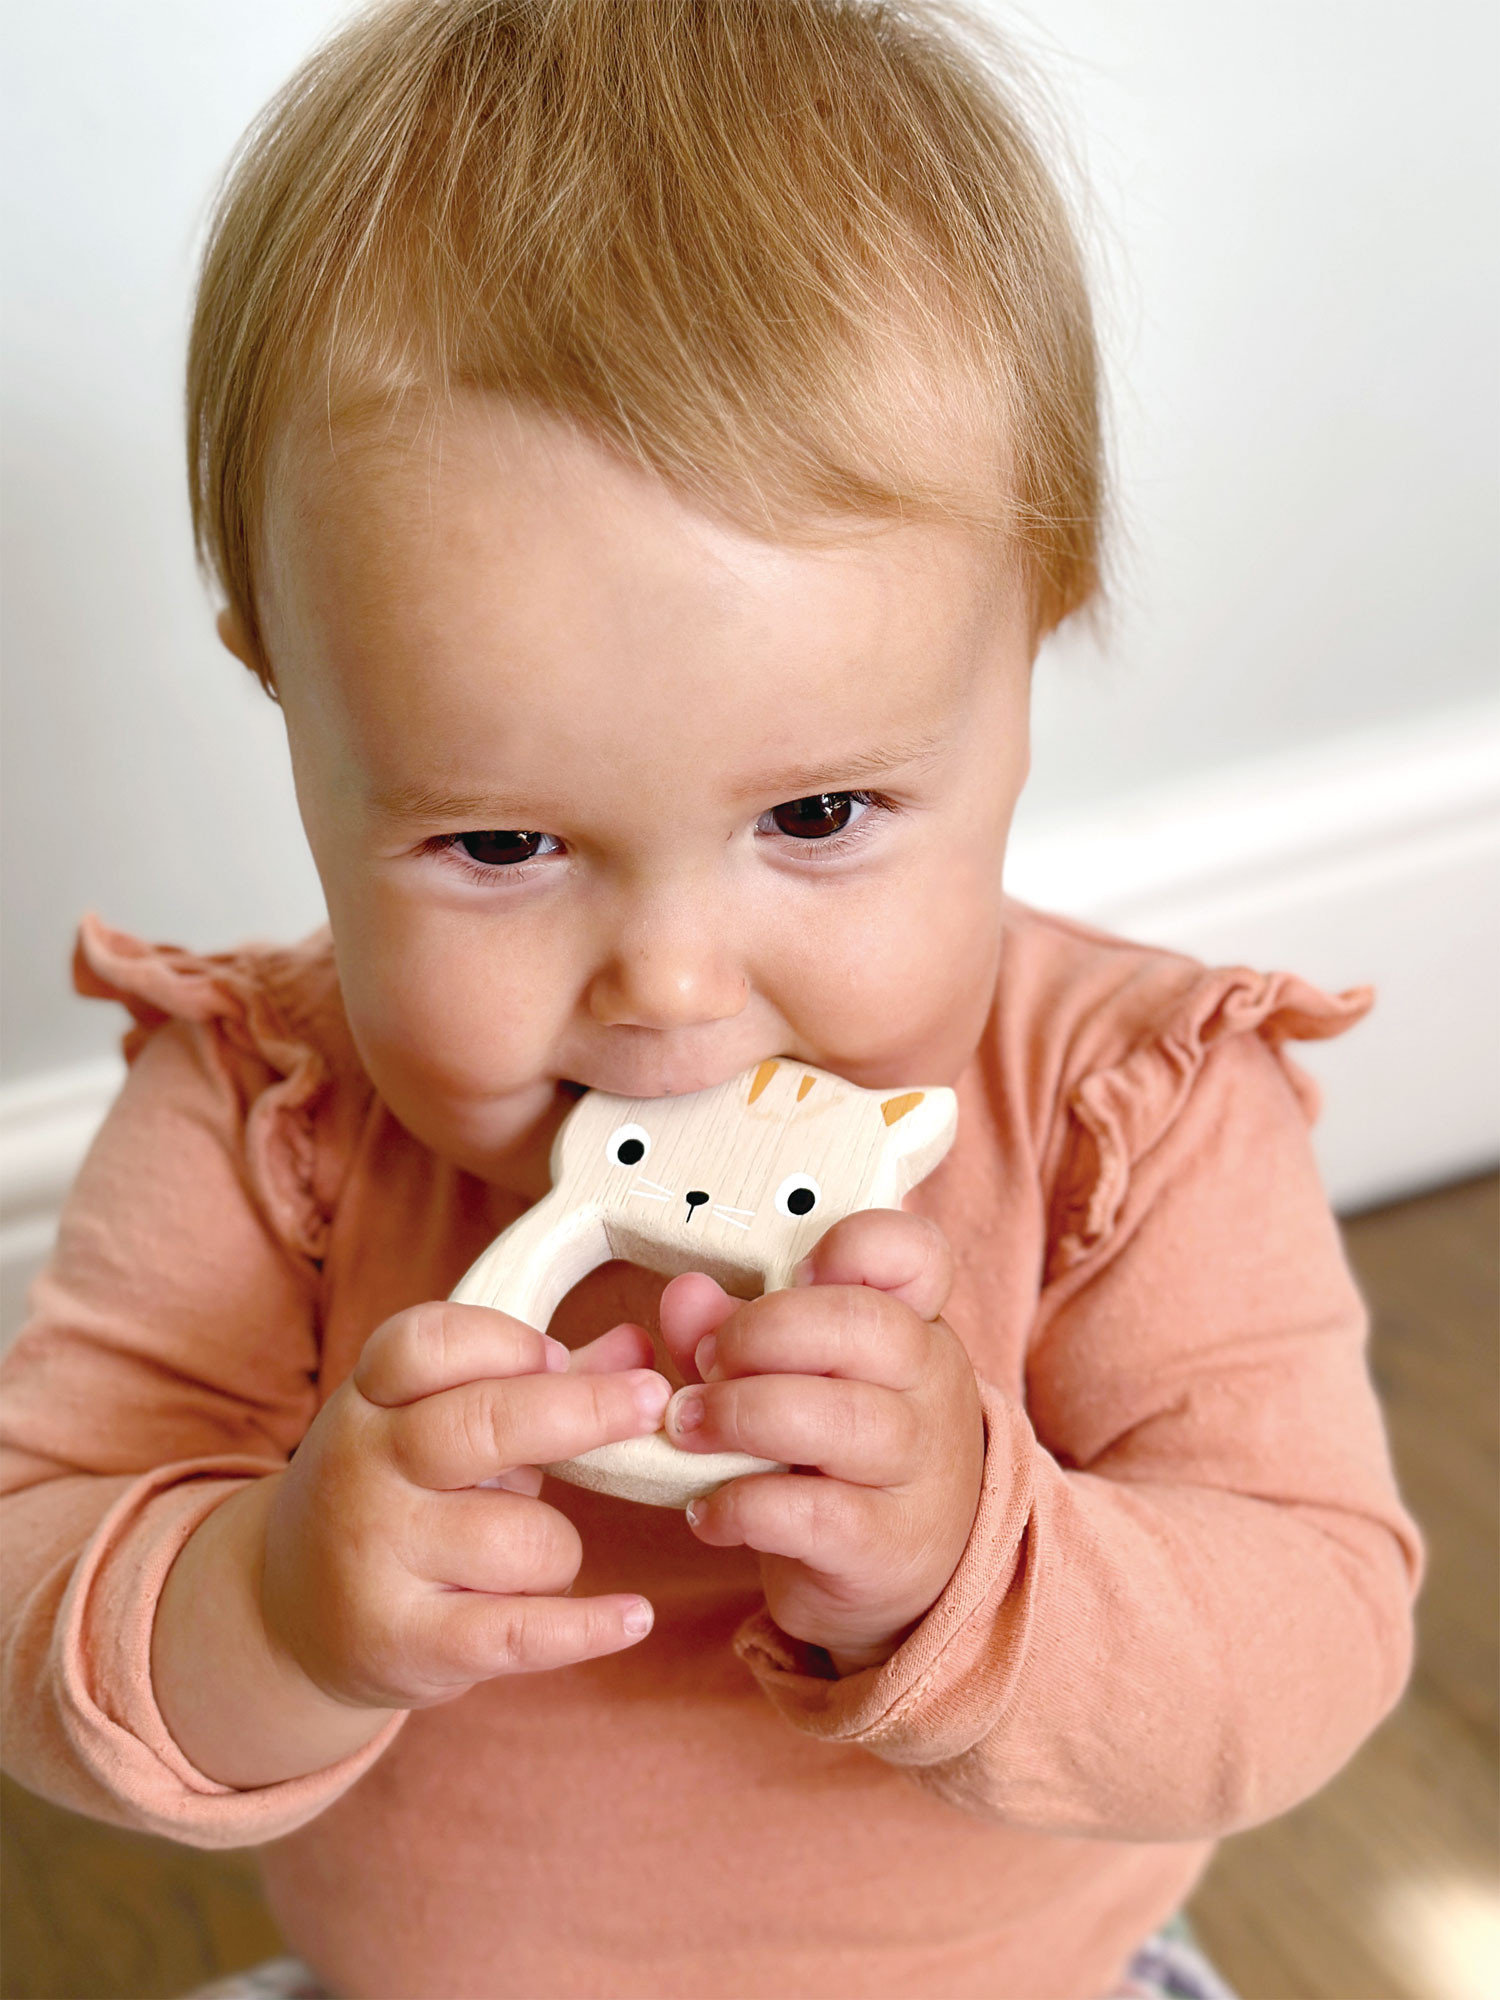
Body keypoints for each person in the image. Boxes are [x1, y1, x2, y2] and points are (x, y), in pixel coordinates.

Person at [0, 4, 1420, 1997]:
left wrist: (967, 1557)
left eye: (818, 811)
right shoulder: (267, 1118)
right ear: (295, 703)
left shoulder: (1137, 1113)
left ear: (1036, 639)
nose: (667, 991)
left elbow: (1313, 1641)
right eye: (496, 847)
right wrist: (270, 1604)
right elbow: (31, 1603)